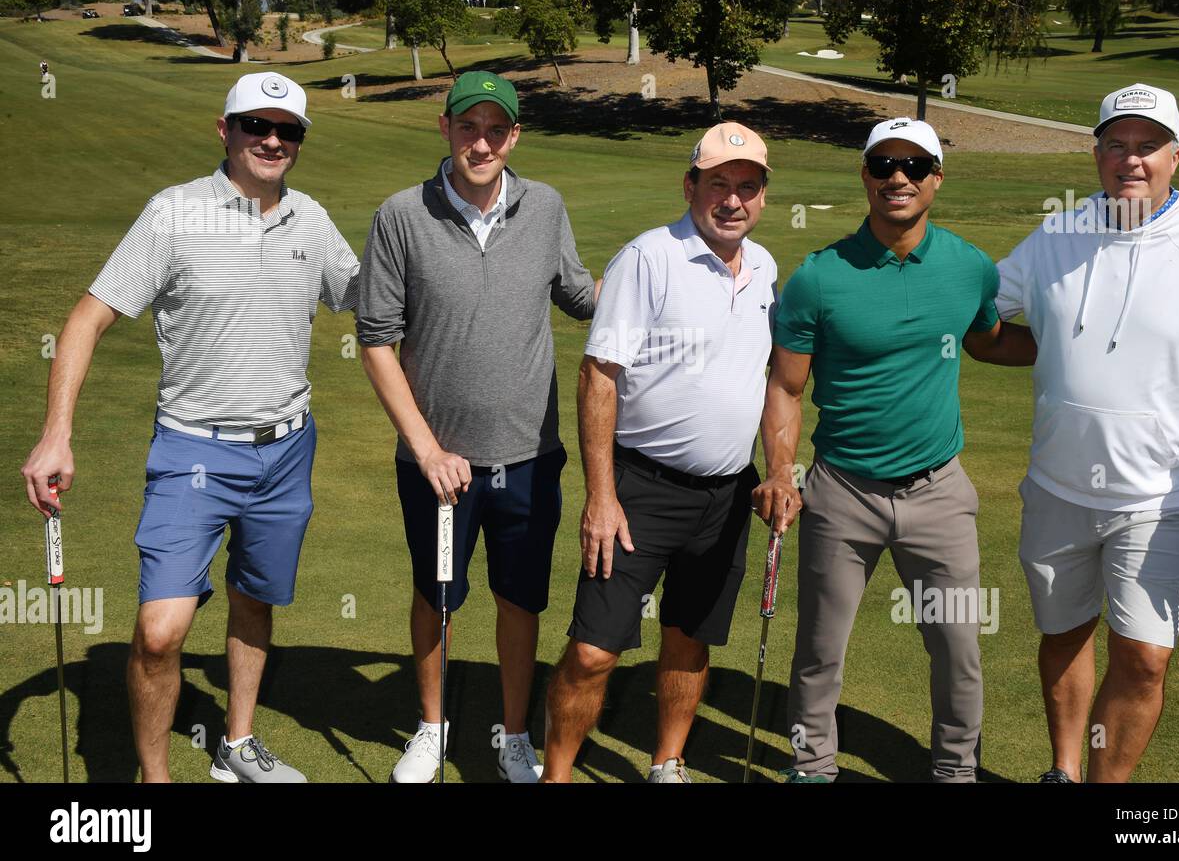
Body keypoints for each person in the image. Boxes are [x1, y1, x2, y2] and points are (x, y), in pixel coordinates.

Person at [20, 72, 360, 783]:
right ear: (224, 129)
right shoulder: (173, 214)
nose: (272, 141)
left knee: (254, 599)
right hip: (192, 451)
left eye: (288, 130)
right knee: (159, 632)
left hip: (288, 449)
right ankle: (155, 779)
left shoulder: (313, 221)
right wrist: (57, 432)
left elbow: (371, 301)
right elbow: (88, 317)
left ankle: (237, 745)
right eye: (255, 126)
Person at [995, 83, 1179, 783]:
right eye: (1117, 145)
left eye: (1148, 147)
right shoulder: (1056, 235)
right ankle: (1063, 771)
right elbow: (986, 308)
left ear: (1176, 156)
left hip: (1158, 496)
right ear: (1096, 154)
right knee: (1063, 635)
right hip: (1058, 484)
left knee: (1144, 657)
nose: (1132, 160)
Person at [751, 117, 1036, 783]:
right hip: (841, 492)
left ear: (937, 177)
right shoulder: (819, 278)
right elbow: (786, 387)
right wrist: (780, 473)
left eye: (913, 165)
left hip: (938, 492)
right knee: (821, 648)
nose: (897, 178)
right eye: (883, 166)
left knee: (958, 646)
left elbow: (989, 340)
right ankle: (812, 766)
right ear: (866, 177)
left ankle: (955, 770)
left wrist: (1076, 351)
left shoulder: (968, 267)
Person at [356, 71, 598, 784]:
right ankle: (431, 728)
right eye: (469, 127)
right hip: (439, 467)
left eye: (497, 130)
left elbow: (582, 296)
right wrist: (426, 448)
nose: (482, 142)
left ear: (514, 136)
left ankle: (514, 733)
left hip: (530, 458)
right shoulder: (401, 215)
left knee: (519, 600)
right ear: (446, 129)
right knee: (436, 596)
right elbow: (376, 341)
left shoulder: (545, 206)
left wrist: (669, 273)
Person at [541, 123, 778, 784]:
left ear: (762, 197)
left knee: (689, 638)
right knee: (593, 651)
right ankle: (556, 773)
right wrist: (602, 495)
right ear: (690, 187)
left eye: (747, 187)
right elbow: (599, 375)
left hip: (727, 496)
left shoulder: (764, 269)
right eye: (718, 185)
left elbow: (769, 382)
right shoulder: (649, 258)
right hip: (639, 490)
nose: (732, 200)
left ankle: (667, 762)